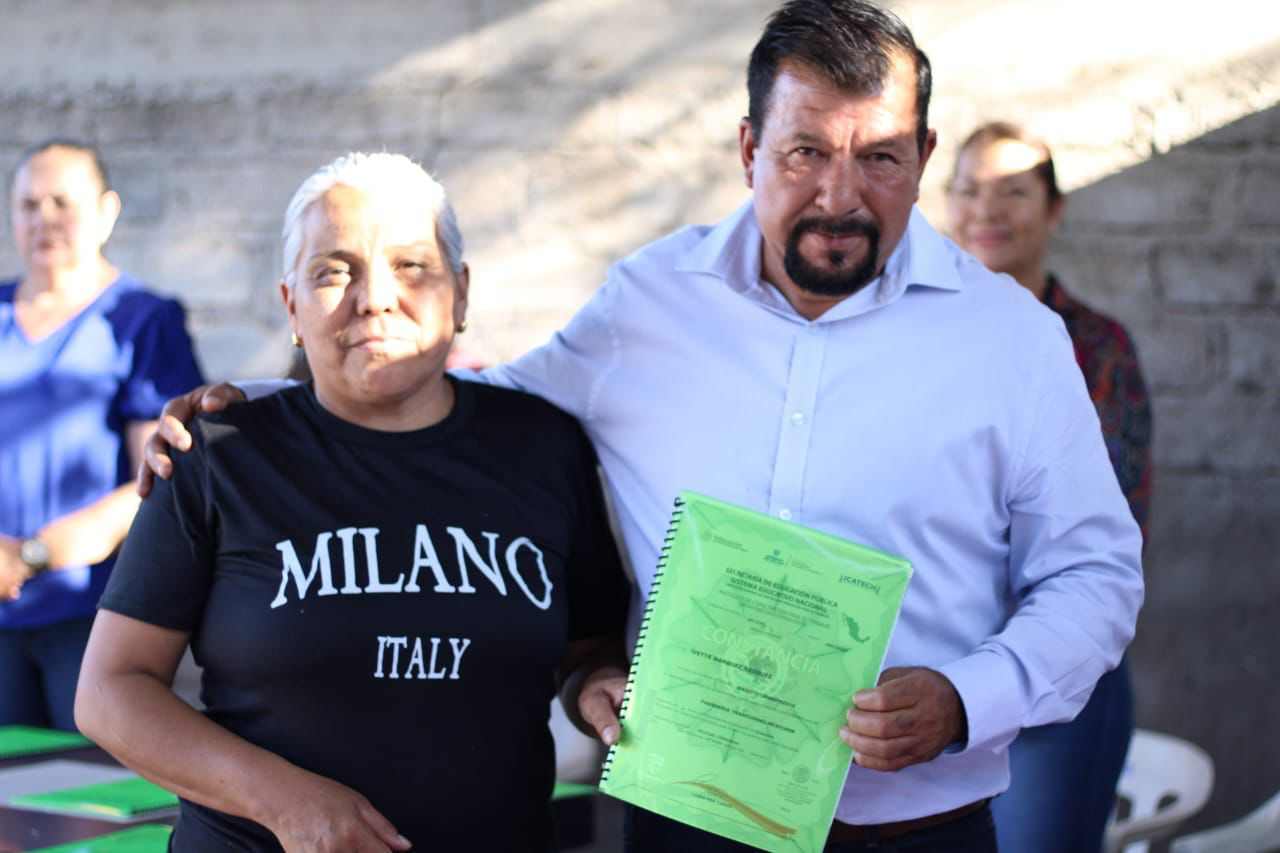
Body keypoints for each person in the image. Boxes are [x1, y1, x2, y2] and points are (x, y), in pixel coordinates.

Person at [143, 2, 1144, 849]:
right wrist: (248, 410)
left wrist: (968, 698)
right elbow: (479, 399)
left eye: (879, 157)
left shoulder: (1009, 340)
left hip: (911, 821)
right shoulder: (648, 302)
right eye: (803, 153)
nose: (839, 196)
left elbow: (1094, 573)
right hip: (678, 813)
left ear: (924, 155)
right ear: (748, 149)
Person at [75, 152, 629, 851]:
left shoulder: (545, 447)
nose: (374, 297)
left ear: (460, 292)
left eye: (411, 266)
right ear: (291, 307)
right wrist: (285, 802)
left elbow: (586, 647)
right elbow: (110, 691)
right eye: (334, 270)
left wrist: (596, 684)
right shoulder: (216, 453)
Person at [947, 120, 1153, 853]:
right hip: (932, 675)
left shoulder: (1096, 349)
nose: (986, 210)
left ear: (1055, 208)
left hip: (1047, 680)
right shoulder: (922, 337)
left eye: (1014, 191)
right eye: (969, 189)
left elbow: (1110, 538)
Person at [0, 139, 203, 731]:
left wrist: (32, 556)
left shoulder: (141, 319)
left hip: (92, 613)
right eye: (29, 204)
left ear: (107, 211)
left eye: (63, 201)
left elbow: (162, 473)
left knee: (90, 800)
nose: (45, 219)